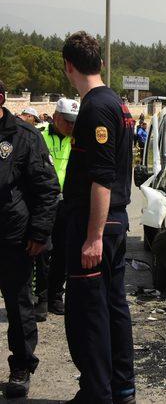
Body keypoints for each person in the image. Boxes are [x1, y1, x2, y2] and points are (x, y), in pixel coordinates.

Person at [61, 31, 136, 403]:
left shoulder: (95, 107)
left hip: (98, 225)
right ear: (101, 63)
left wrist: (92, 237)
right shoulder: (116, 103)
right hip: (113, 222)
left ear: (68, 66)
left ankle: (97, 392)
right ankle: (120, 388)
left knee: (87, 315)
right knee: (111, 307)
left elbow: (102, 178)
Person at [0, 79, 59, 398]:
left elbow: (48, 190)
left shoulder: (24, 137)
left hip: (13, 238)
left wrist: (39, 233)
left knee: (19, 305)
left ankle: (21, 365)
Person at [33, 98, 78, 322]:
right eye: (68, 122)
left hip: (67, 204)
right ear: (57, 117)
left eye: (74, 123)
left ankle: (55, 296)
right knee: (42, 251)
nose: (71, 127)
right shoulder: (38, 134)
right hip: (43, 203)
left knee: (63, 251)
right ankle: (40, 297)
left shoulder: (77, 138)